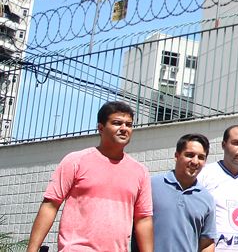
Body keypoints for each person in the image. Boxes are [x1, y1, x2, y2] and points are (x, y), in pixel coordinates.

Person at [26, 101, 154, 252]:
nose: (124, 129)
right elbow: (50, 205)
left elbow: (143, 219)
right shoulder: (75, 161)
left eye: (129, 124)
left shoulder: (140, 172)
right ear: (101, 128)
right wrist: (32, 249)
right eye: (117, 123)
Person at [145, 133, 216, 252]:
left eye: (201, 157)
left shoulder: (207, 199)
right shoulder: (151, 186)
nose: (195, 161)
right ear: (176, 156)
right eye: (189, 155)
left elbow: (207, 243)